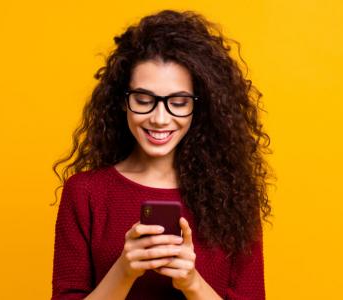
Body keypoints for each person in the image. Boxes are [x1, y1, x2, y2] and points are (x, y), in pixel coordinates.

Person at [51, 9, 272, 300]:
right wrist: (124, 270)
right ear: (122, 101)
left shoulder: (234, 197)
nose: (159, 118)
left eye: (178, 103)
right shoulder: (84, 193)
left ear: (200, 106)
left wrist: (192, 283)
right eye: (144, 100)